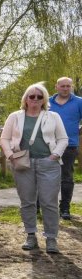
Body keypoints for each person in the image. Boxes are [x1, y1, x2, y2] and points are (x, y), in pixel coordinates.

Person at [0, 83, 68, 254]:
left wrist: (55, 155)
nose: (35, 99)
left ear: (44, 99)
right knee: (27, 202)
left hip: (48, 163)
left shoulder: (53, 116)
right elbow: (4, 138)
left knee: (49, 202)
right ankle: (31, 235)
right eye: (32, 96)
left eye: (39, 96)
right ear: (26, 99)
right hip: (23, 163)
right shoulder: (15, 116)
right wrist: (10, 155)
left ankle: (51, 238)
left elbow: (63, 139)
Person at [48, 77, 82, 219]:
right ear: (56, 86)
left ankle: (65, 209)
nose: (65, 88)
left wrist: (78, 130)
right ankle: (41, 206)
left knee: (66, 177)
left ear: (71, 87)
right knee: (44, 176)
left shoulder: (79, 102)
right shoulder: (47, 101)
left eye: (68, 86)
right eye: (62, 86)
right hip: (47, 144)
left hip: (69, 145)